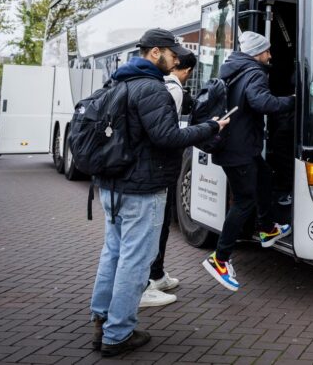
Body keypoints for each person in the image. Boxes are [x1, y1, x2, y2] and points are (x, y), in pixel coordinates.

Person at [90, 29, 229, 357]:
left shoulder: (116, 83)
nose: (177, 59)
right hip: (141, 188)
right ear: (154, 53)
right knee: (135, 261)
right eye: (172, 53)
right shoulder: (152, 89)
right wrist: (211, 127)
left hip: (112, 184)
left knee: (112, 253)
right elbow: (167, 137)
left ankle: (101, 319)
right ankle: (118, 333)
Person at [202, 31, 295, 292]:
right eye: (266, 51)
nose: (270, 55)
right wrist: (294, 102)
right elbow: (261, 102)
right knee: (244, 201)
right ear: (257, 53)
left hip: (234, 146)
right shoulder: (254, 72)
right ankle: (220, 259)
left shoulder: (233, 69)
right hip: (239, 150)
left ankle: (267, 228)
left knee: (264, 176)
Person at [138, 50, 197, 308]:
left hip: (152, 169)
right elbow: (166, 134)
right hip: (157, 169)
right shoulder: (172, 90)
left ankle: (157, 274)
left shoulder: (158, 85)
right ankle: (148, 281)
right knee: (155, 227)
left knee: (158, 225)